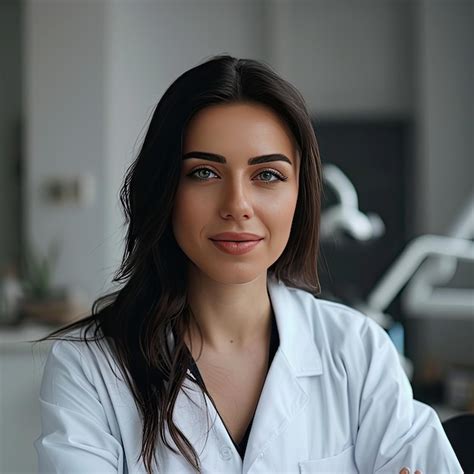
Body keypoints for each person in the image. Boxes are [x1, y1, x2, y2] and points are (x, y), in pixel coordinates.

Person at [33, 54, 461, 473]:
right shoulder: (89, 368)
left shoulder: (357, 351)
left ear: (300, 194)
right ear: (163, 189)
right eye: (204, 172)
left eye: (268, 175)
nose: (237, 206)